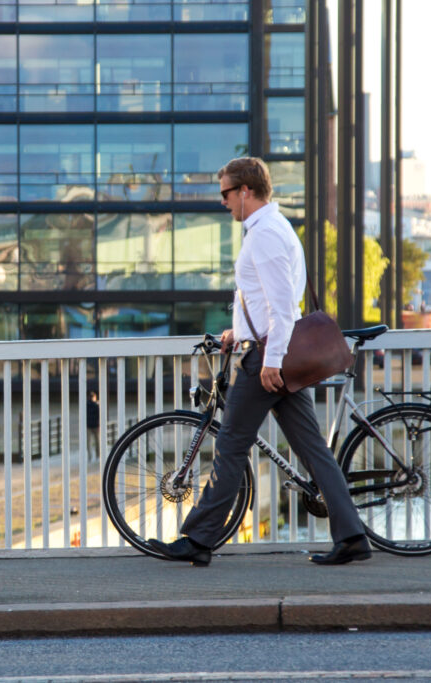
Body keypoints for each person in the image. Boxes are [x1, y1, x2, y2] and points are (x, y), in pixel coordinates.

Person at [147, 156, 370, 567]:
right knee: (314, 452)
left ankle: (198, 540)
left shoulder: (264, 234)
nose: (223, 202)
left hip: (266, 361)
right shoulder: (272, 227)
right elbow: (266, 301)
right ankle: (353, 535)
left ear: (246, 191)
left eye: (226, 194)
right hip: (270, 352)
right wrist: (239, 331)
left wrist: (271, 359)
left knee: (231, 447)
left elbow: (284, 307)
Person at [86, 390, 101, 462]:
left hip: (93, 425)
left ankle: (95, 456)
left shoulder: (94, 405)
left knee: (95, 441)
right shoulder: (95, 405)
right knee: (92, 441)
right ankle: (92, 456)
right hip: (90, 425)